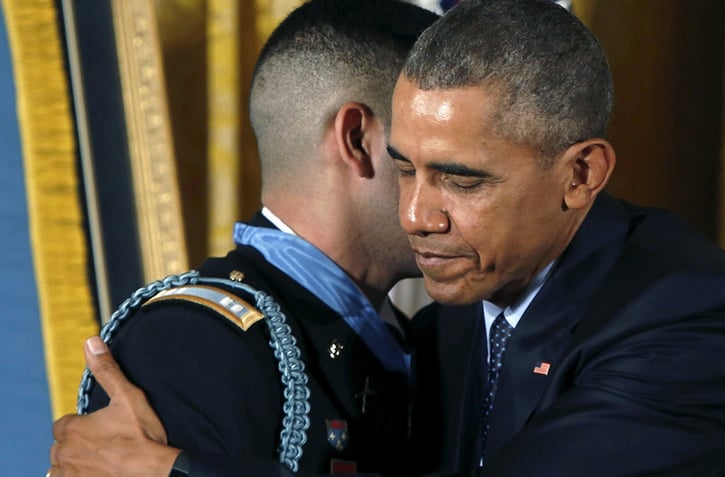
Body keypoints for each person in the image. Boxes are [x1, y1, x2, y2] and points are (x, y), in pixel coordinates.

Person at [51, 0, 725, 476]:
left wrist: (173, 471)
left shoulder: (689, 321)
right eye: (404, 169)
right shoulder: (451, 318)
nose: (420, 213)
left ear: (581, 174)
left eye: (462, 179)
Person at [49, 0, 439, 476]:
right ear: (357, 139)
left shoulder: (440, 338)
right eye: (442, 151)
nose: (468, 184)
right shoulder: (190, 340)